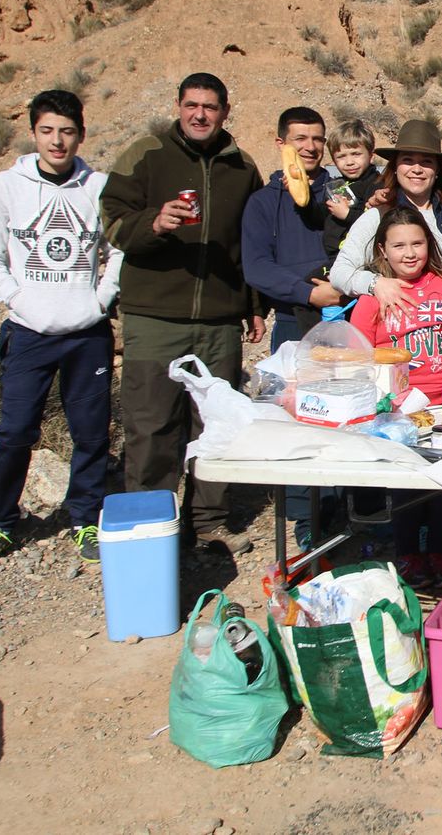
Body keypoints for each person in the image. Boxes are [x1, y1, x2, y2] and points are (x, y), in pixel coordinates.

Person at [101, 72, 263, 555]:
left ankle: (208, 523)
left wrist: (253, 305)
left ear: (225, 112)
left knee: (215, 424)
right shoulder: (147, 154)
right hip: (155, 316)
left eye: (210, 107)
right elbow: (111, 220)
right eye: (192, 105)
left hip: (219, 320)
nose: (200, 115)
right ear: (178, 105)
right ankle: (150, 528)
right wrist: (153, 223)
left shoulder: (242, 167)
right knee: (151, 426)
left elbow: (250, 245)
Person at [0, 90, 123, 571]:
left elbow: (118, 249)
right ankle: (1, 520)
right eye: (48, 131)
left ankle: (85, 516)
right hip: (29, 332)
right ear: (33, 133)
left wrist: (101, 298)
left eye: (67, 132)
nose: (58, 141)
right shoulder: (6, 186)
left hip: (87, 333)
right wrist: (19, 299)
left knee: (91, 433)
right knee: (14, 431)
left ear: (81, 135)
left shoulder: (99, 187)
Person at [348, 207, 442, 586]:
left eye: (417, 243)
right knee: (405, 484)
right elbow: (359, 355)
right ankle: (409, 554)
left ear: (429, 243)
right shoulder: (374, 297)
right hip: (396, 410)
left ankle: (441, 549)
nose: (410, 253)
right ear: (383, 249)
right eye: (399, 246)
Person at [331, 119, 442, 308]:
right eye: (408, 160)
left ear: (437, 169)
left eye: (426, 162)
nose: (417, 169)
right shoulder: (377, 216)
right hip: (399, 320)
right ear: (395, 166)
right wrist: (376, 284)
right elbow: (339, 273)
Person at [241, 106, 341, 346]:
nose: (310, 147)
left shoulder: (343, 192)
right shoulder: (262, 202)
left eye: (318, 139)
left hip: (349, 315)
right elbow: (257, 266)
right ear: (281, 143)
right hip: (293, 320)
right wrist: (309, 294)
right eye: (300, 138)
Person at [321, 117, 387, 262]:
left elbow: (376, 222)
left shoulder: (376, 184)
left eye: (356, 154)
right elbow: (319, 215)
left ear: (371, 156)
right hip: (333, 257)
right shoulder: (337, 185)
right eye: (341, 157)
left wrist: (347, 214)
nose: (349, 162)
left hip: (359, 258)